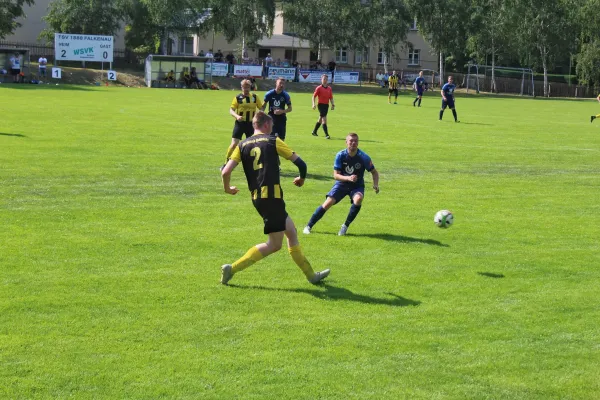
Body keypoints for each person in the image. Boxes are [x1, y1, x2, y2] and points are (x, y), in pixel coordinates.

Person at [220, 111, 330, 285]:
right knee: (274, 244)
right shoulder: (272, 141)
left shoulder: (242, 145)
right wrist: (301, 178)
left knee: (291, 232)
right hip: (272, 197)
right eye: (271, 126)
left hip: (259, 198)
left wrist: (227, 188)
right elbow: (301, 163)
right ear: (265, 125)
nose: (272, 129)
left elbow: (225, 171)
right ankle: (231, 268)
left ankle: (311, 276)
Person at [303, 133, 380, 236]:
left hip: (357, 186)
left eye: (355, 141)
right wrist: (348, 178)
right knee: (327, 203)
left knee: (358, 199)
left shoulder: (364, 157)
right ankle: (308, 226)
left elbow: (374, 172)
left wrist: (375, 185)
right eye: (351, 141)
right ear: (346, 142)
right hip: (342, 184)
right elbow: (336, 176)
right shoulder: (340, 155)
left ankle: (345, 227)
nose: (353, 143)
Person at [223, 79, 263, 167]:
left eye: (248, 87)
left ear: (250, 87)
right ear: (241, 87)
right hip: (240, 124)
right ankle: (226, 162)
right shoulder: (238, 98)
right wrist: (237, 116)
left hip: (251, 125)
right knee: (234, 144)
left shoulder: (254, 97)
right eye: (244, 87)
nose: (246, 89)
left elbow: (261, 108)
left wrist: (257, 116)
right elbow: (231, 110)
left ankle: (252, 165)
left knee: (252, 145)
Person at [311, 74, 335, 139]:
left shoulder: (329, 88)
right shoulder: (319, 88)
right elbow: (314, 96)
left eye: (326, 79)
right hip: (320, 105)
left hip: (326, 105)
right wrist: (313, 104)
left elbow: (331, 97)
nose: (325, 80)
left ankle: (314, 131)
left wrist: (333, 104)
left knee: (320, 119)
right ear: (321, 80)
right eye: (324, 79)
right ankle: (327, 134)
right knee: (324, 119)